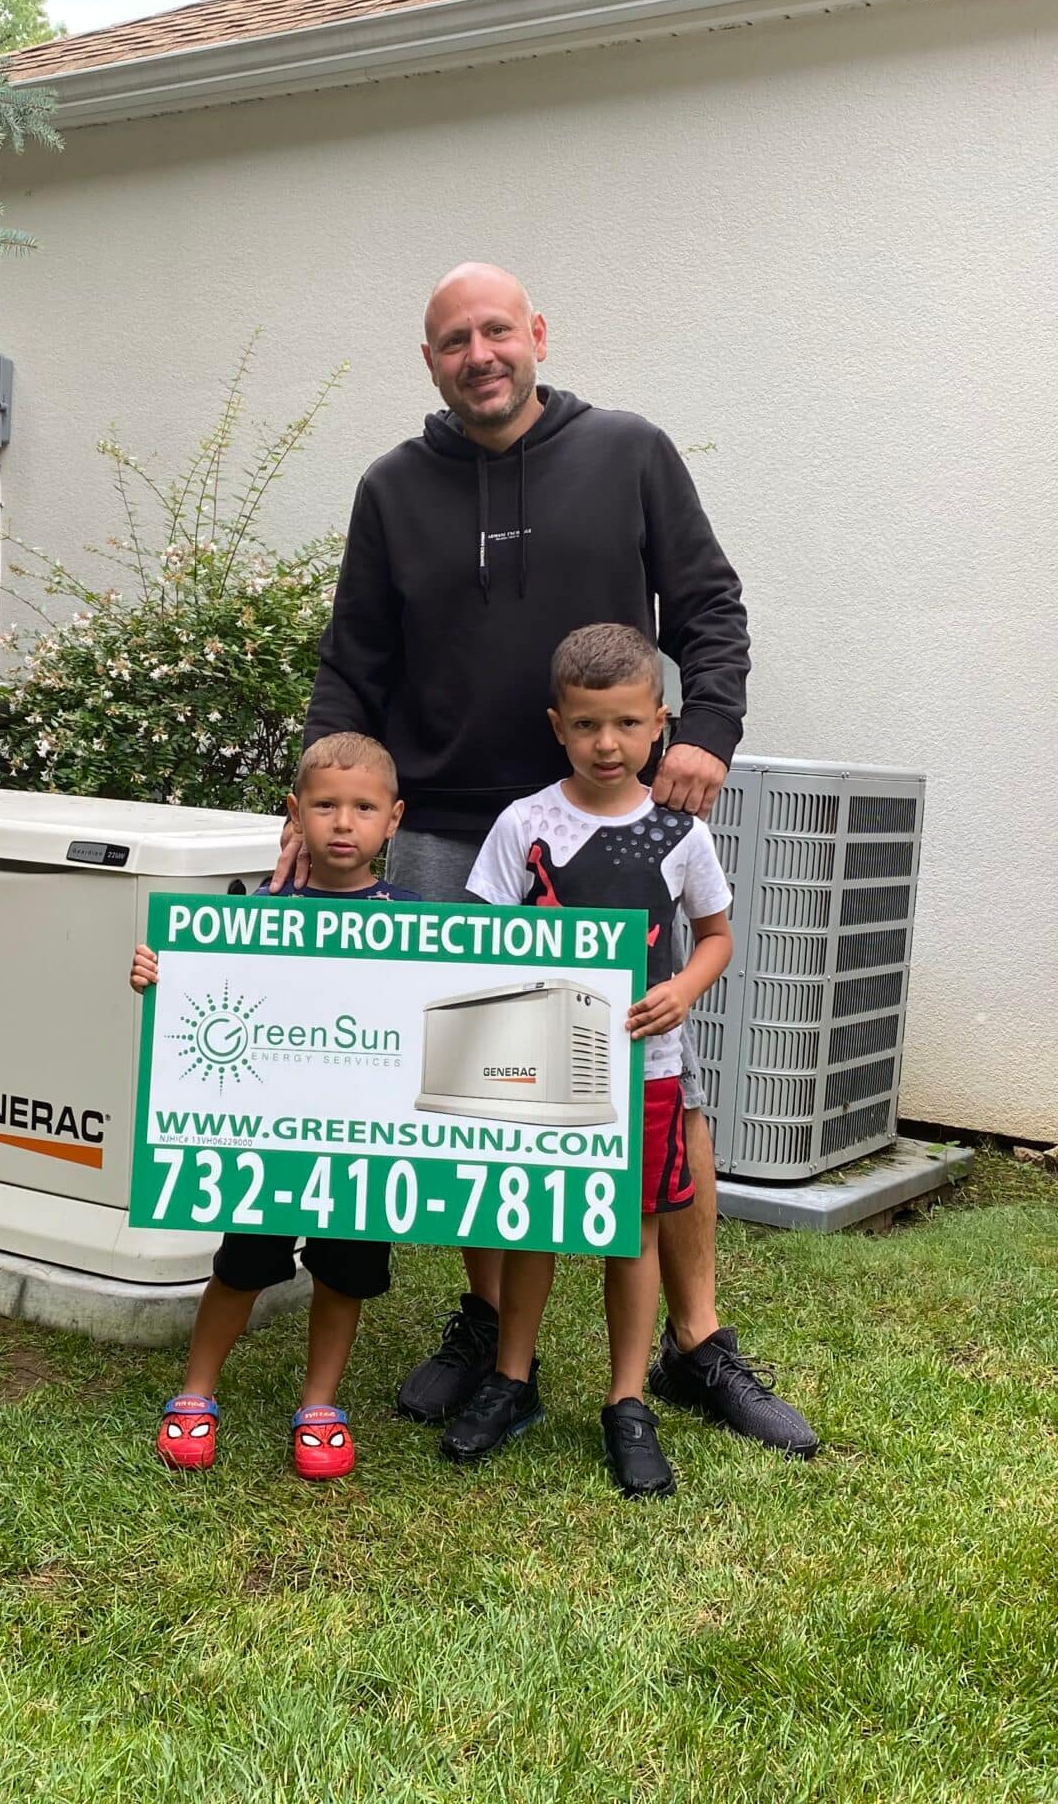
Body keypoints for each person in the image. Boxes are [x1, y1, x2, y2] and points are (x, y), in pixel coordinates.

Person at [295, 260, 817, 1459]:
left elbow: (709, 609)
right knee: (484, 1100)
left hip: (611, 824)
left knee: (660, 1088)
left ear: (536, 334)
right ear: (430, 362)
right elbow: (353, 660)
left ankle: (697, 1345)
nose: (477, 354)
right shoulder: (392, 488)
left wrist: (709, 735)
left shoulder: (630, 451)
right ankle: (490, 1328)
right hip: (443, 835)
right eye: (451, 340)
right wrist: (313, 788)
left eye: (495, 330)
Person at [437, 624, 731, 1496]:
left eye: (628, 725)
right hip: (538, 1068)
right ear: (557, 724)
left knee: (630, 1231)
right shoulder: (522, 822)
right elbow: (476, 937)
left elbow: (715, 935)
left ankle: (628, 1400)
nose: (608, 744)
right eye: (587, 726)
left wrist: (683, 989)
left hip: (646, 1069)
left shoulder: (680, 831)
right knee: (532, 1219)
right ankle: (511, 1380)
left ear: (661, 724)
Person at [131, 732, 418, 1480]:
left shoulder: (422, 924)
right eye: (325, 806)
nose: (343, 823)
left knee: (343, 1272)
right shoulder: (260, 911)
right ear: (294, 815)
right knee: (243, 1263)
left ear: (394, 819)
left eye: (363, 808)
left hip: (364, 1143)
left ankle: (320, 1405)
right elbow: (212, 994)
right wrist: (164, 972)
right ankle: (196, 1392)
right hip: (268, 1138)